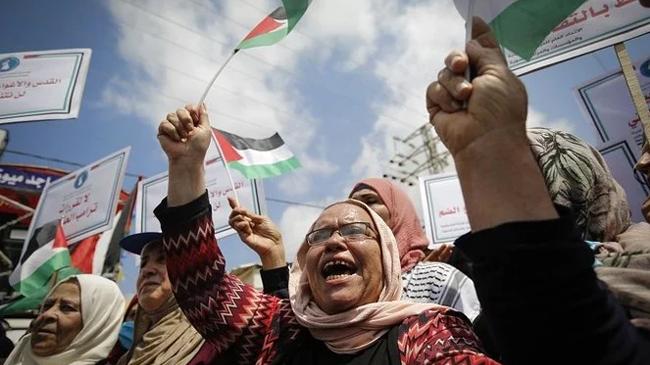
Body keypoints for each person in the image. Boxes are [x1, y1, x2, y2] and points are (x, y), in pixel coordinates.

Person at [154, 104, 499, 364]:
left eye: (354, 230)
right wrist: (185, 167)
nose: (334, 241)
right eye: (318, 236)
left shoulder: (430, 331)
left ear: (388, 256)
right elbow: (202, 288)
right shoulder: (279, 329)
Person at [426, 16, 650, 364]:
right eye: (534, 181)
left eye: (543, 174)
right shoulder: (490, 315)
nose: (544, 203)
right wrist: (490, 151)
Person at [114, 232, 214, 365]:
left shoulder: (213, 341)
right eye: (143, 263)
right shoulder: (127, 359)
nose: (146, 270)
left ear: (190, 270)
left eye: (163, 259)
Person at [5, 274, 124, 365]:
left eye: (67, 308)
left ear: (97, 323)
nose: (47, 314)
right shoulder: (19, 356)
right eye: (47, 306)